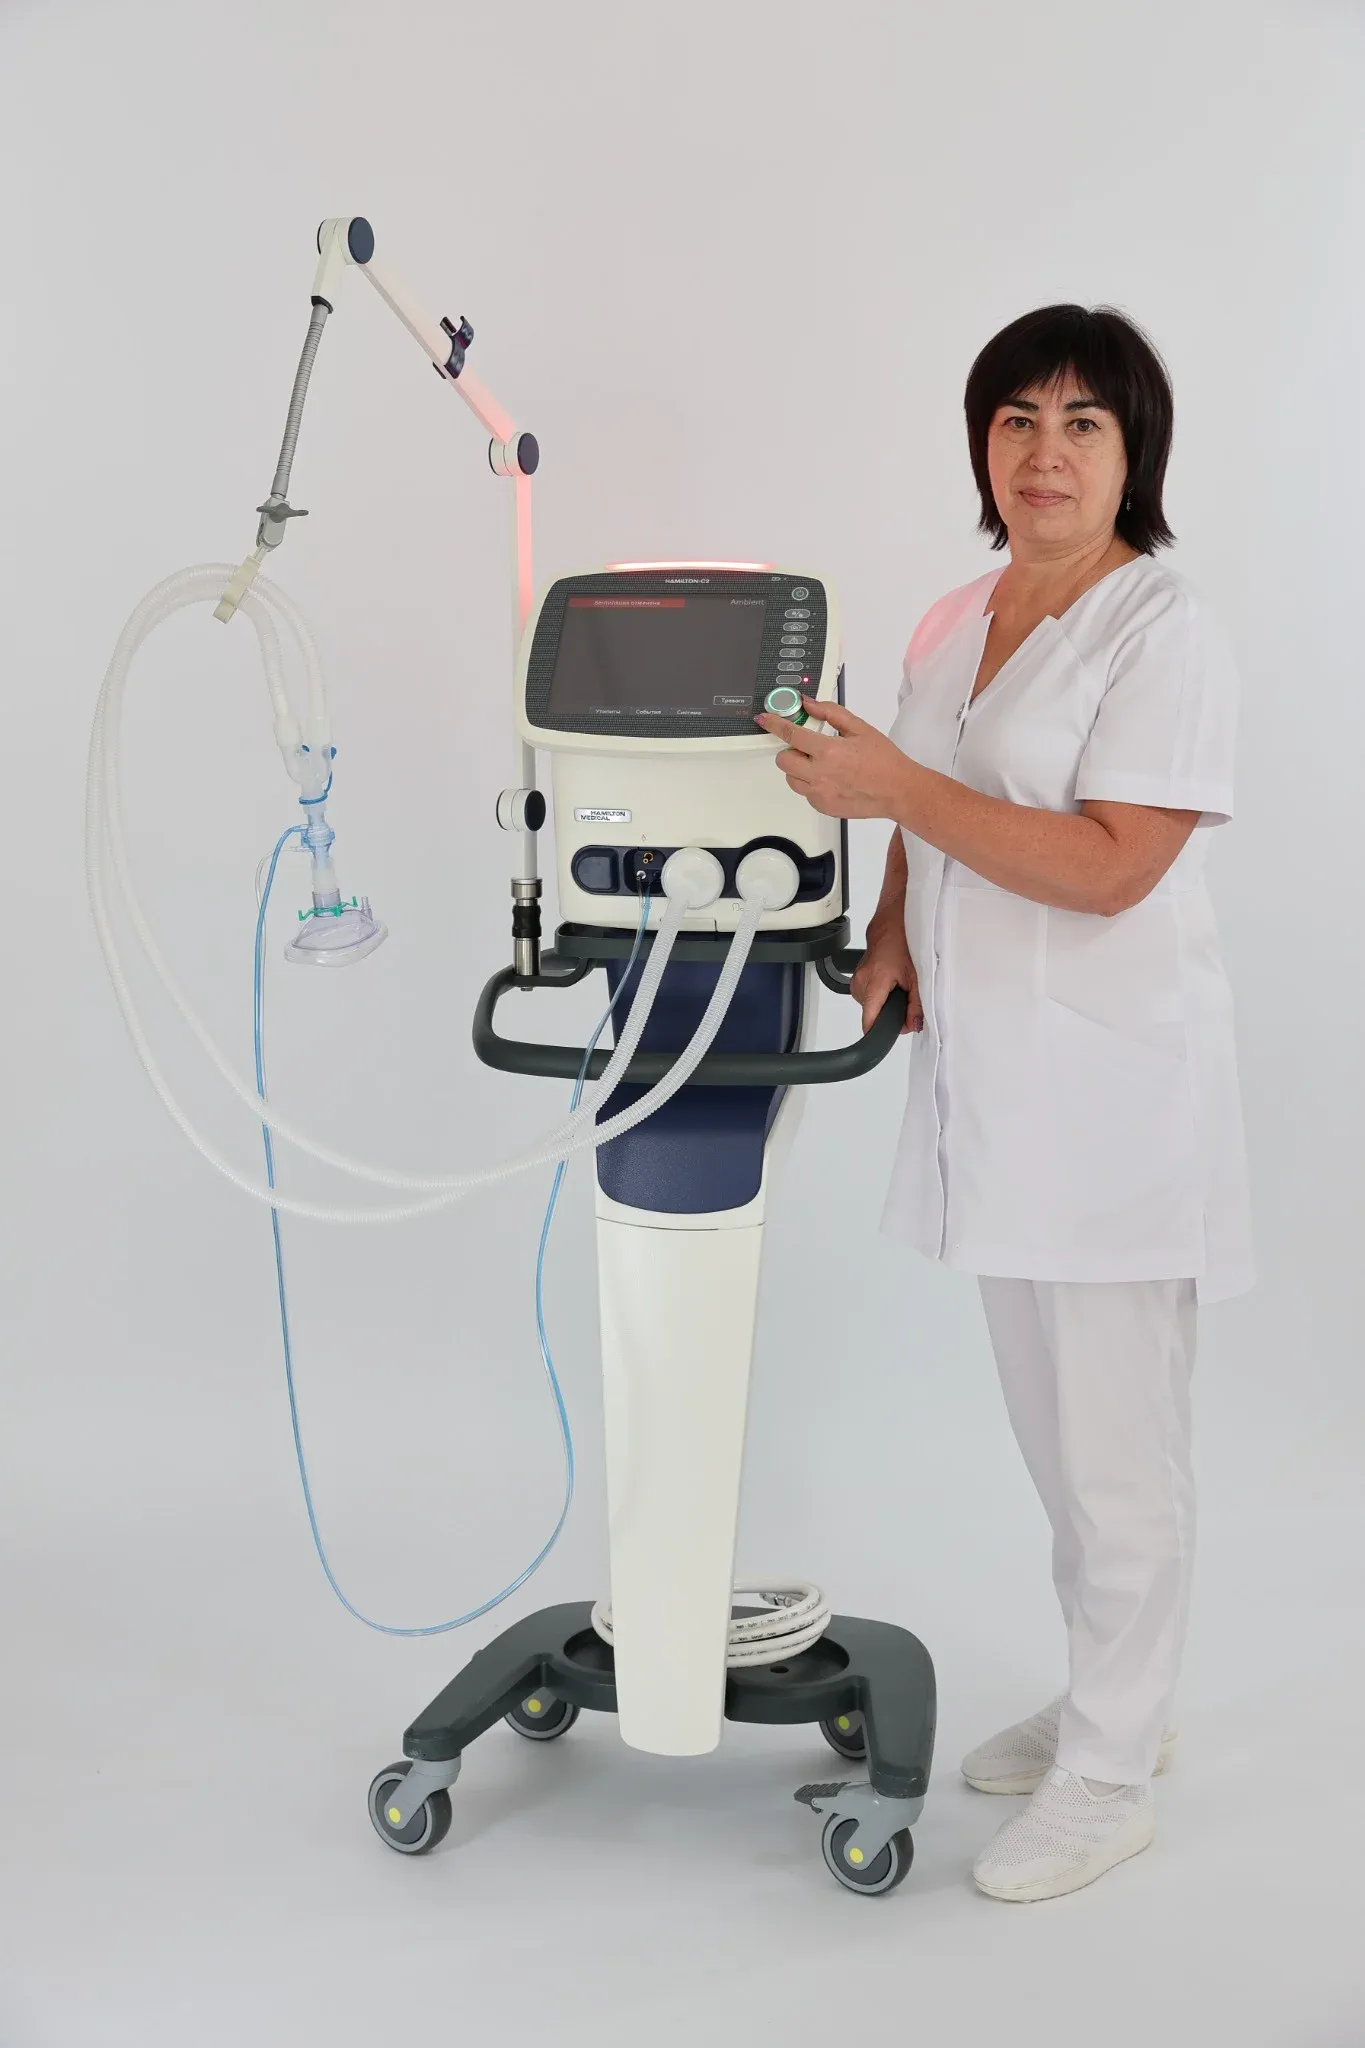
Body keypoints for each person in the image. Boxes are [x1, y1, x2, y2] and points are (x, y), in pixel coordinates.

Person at [757, 303, 1252, 1903]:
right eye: (1017, 419)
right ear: (984, 444)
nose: (1045, 452)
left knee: (1119, 1458)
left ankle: (1111, 1771)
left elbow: (1112, 868)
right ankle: (1115, 1699)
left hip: (1114, 1099)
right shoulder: (960, 611)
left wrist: (899, 792)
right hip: (995, 1086)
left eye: (1082, 423)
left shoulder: (1161, 628)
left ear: (1133, 453)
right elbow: (929, 798)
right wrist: (892, 927)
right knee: (1055, 1441)